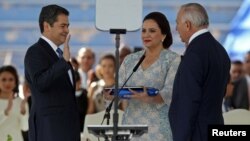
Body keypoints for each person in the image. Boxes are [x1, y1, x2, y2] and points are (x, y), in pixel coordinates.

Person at [104, 12, 181, 140]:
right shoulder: (130, 60)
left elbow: (170, 92)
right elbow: (119, 86)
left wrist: (151, 97)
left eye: (152, 31)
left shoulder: (173, 59)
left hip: (158, 131)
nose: (146, 35)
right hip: (130, 129)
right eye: (143, 31)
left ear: (163, 35)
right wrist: (111, 95)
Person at [169, 3, 230, 141]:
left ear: (187, 25)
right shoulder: (221, 51)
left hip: (197, 134)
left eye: (177, 23)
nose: (176, 28)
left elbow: (188, 102)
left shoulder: (194, 54)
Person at [24, 4, 80, 141]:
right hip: (49, 131)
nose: (67, 30)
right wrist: (63, 62)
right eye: (62, 26)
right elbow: (40, 83)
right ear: (47, 26)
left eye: (68, 26)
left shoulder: (60, 55)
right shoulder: (35, 52)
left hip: (68, 130)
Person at [0, 65, 29, 141]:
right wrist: (6, 111)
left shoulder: (21, 102)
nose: (7, 83)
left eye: (11, 79)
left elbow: (25, 128)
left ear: (15, 82)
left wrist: (23, 111)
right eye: (3, 79)